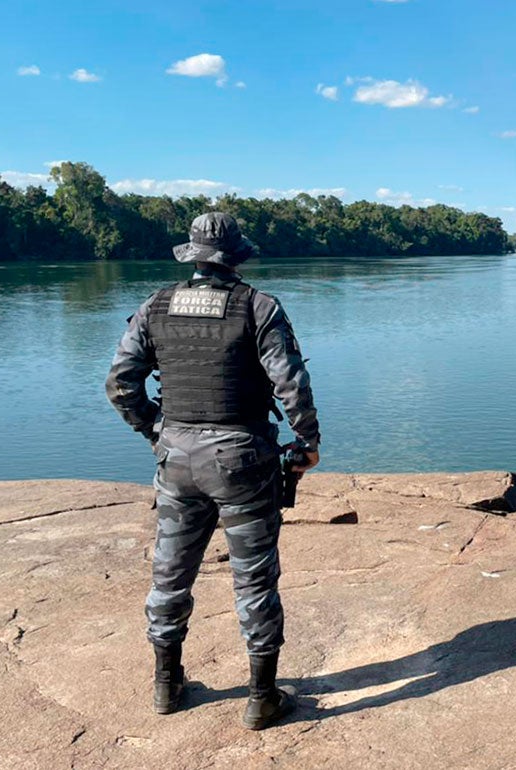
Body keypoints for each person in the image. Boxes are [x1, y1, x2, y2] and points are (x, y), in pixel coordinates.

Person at [106, 212, 320, 729]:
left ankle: (167, 686)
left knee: (170, 574)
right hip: (243, 460)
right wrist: (307, 443)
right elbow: (290, 383)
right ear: (237, 257)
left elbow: (119, 385)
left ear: (194, 256)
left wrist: (156, 432)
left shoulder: (156, 306)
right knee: (254, 581)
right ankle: (261, 698)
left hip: (176, 460)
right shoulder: (258, 307)